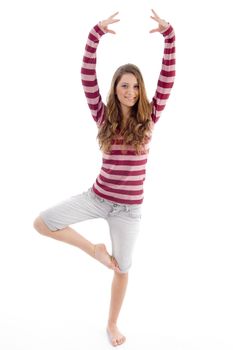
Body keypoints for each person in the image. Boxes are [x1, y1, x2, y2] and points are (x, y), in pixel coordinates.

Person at [33, 9, 176, 347]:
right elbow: (85, 76)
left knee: (122, 269)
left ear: (141, 90)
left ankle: (112, 324)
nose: (130, 90)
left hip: (129, 211)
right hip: (97, 197)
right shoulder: (103, 115)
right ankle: (93, 249)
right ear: (116, 88)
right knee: (42, 222)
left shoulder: (151, 116)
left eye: (135, 86)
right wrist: (94, 33)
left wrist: (169, 37)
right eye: (124, 85)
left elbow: (168, 77)